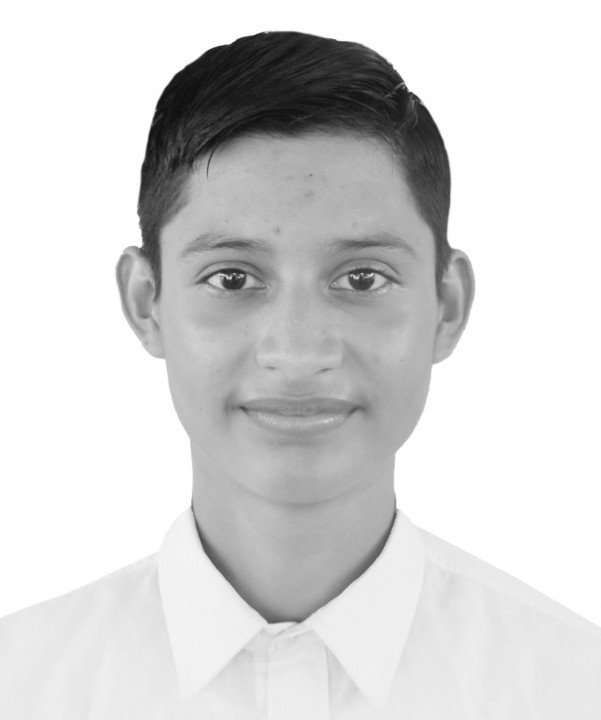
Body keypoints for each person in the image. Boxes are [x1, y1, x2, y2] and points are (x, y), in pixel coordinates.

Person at [1, 29, 599, 719]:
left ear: (447, 305)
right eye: (231, 278)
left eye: (362, 277)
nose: (297, 350)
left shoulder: (572, 687)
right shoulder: (21, 687)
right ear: (146, 302)